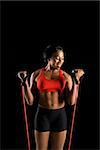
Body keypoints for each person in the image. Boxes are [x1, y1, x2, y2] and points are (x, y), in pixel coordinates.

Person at [17, 45, 84, 150]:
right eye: (57, 58)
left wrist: (76, 81)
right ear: (48, 58)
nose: (60, 61)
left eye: (62, 59)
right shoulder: (36, 74)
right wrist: (24, 82)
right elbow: (30, 101)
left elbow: (71, 102)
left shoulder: (66, 77)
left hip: (60, 116)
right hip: (42, 115)